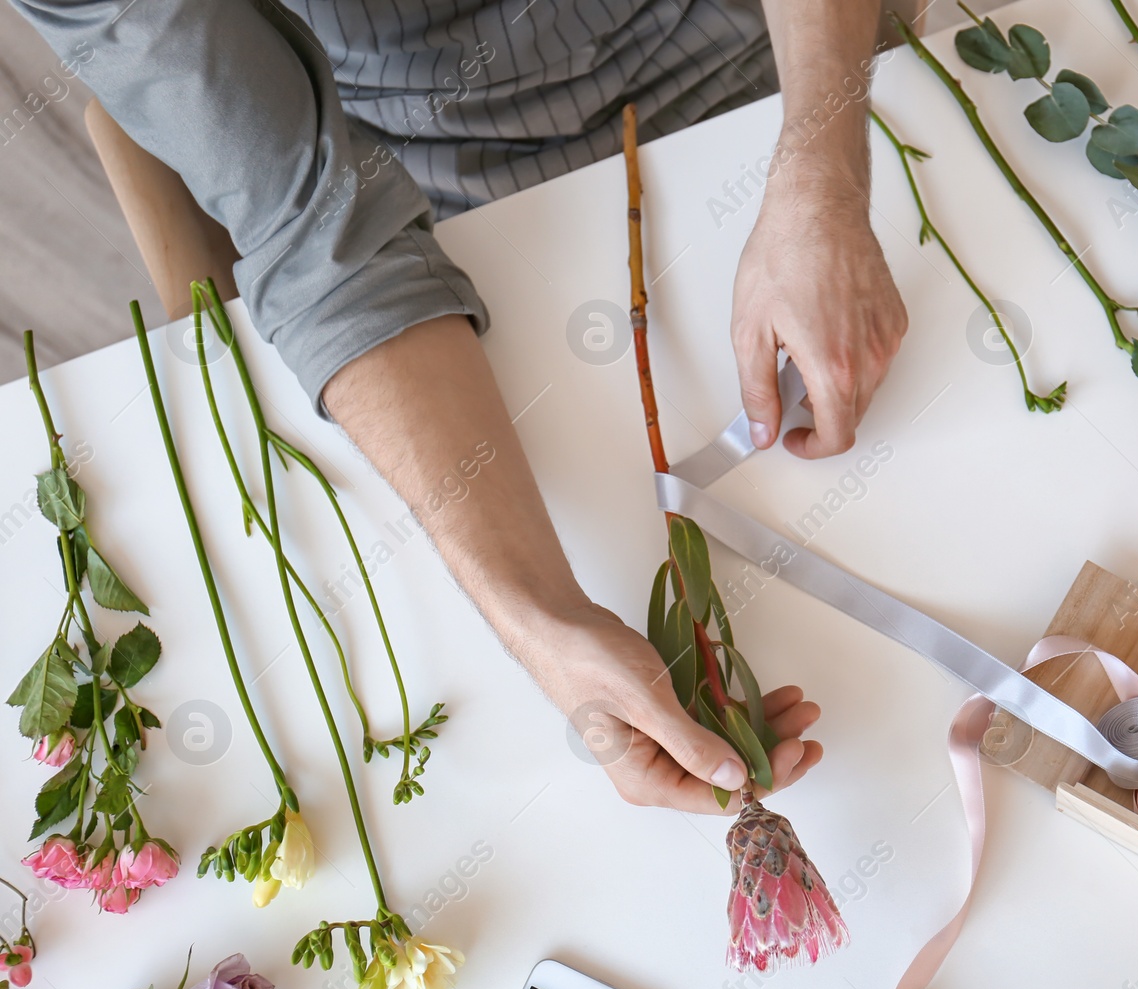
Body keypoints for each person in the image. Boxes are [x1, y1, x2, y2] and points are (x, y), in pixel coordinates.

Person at [16, 0, 908, 813]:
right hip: (446, 192)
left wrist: (823, 180)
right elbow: (324, 233)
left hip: (773, 65)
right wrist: (540, 615)